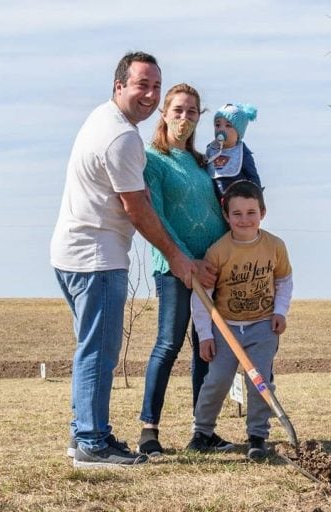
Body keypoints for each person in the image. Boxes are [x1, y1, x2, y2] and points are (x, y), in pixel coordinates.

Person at [50, 51, 197, 468]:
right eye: (141, 85)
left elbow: (136, 197)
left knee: (91, 349)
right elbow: (137, 209)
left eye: (155, 86)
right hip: (95, 257)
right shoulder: (121, 137)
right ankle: (92, 443)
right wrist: (176, 256)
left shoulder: (103, 119)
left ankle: (86, 433)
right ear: (119, 86)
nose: (149, 94)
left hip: (72, 252)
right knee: (99, 352)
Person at [136, 83, 232, 456]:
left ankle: (202, 432)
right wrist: (183, 261)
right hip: (175, 267)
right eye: (178, 110)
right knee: (169, 343)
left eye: (192, 111)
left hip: (212, 269)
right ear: (164, 112)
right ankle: (149, 430)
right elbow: (156, 215)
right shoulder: (152, 159)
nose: (185, 117)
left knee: (205, 348)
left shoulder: (202, 163)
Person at [187, 180, 293, 461]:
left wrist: (280, 311)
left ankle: (257, 436)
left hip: (262, 325)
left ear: (263, 212)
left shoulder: (275, 246)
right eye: (237, 214)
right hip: (226, 328)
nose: (244, 219)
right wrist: (205, 335)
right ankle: (202, 432)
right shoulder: (219, 251)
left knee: (259, 382)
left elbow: (283, 280)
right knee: (217, 380)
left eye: (251, 212)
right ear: (226, 216)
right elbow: (202, 295)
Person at [205, 103, 262, 199]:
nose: (221, 129)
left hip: (237, 202)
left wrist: (257, 198)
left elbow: (253, 177)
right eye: (217, 125)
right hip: (214, 203)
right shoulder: (211, 150)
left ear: (238, 133)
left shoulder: (242, 152)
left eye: (228, 125)